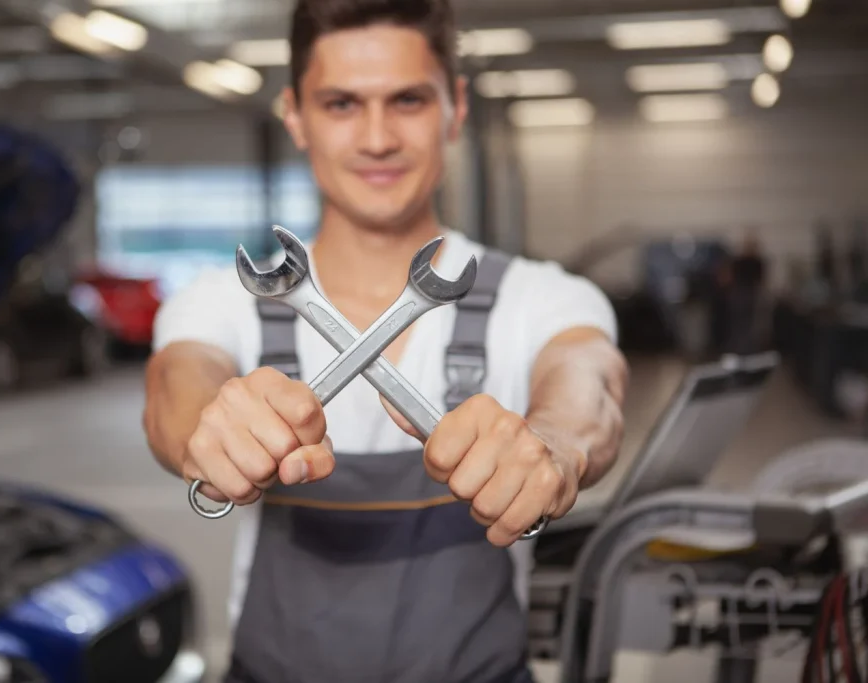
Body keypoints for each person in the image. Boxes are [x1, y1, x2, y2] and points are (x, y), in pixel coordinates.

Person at [143, 1, 629, 681]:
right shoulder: (220, 300)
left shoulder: (544, 297)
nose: (377, 138)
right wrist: (210, 428)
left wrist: (553, 445)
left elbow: (589, 387)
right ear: (295, 115)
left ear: (455, 107)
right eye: (341, 103)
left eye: (407, 100)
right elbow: (176, 387)